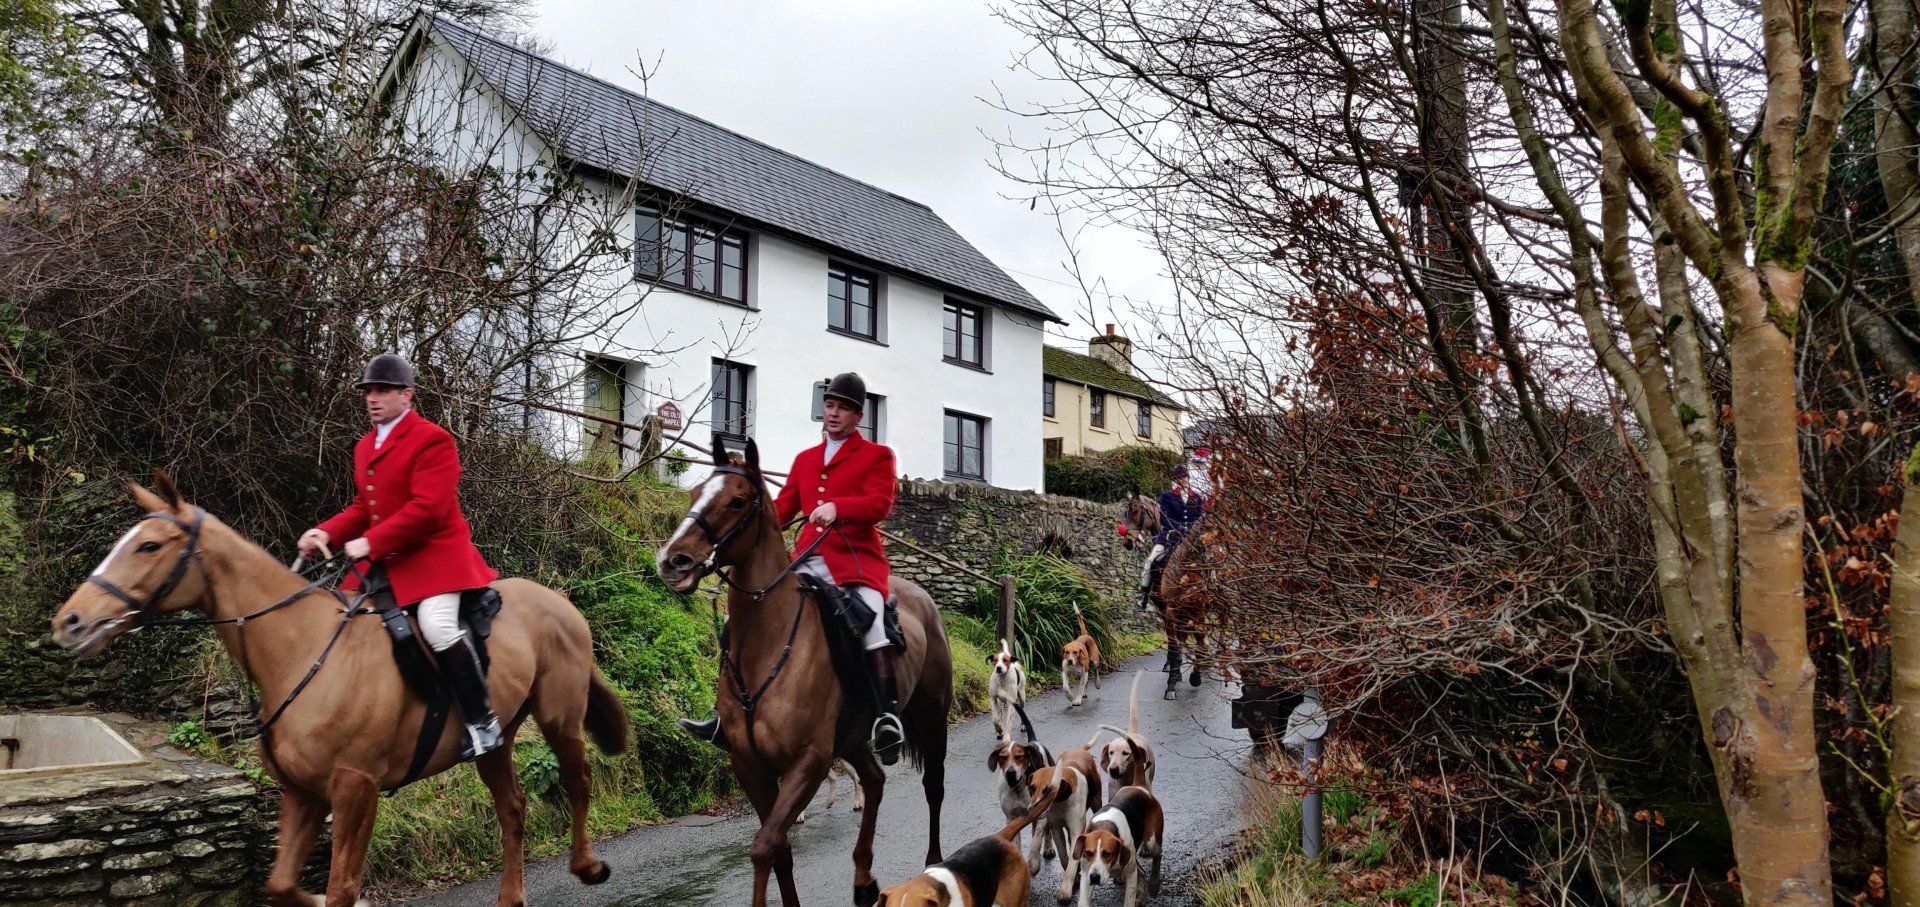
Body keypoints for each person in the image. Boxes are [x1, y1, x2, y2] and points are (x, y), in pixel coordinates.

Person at [678, 372, 908, 763]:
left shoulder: (877, 456)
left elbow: (880, 503)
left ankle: (885, 717)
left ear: (858, 415)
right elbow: (781, 512)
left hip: (855, 563)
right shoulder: (805, 460)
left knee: (870, 625)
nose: (834, 413)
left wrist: (840, 508)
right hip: (806, 562)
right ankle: (723, 715)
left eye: (843, 408)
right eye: (830, 405)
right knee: (748, 618)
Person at [296, 354, 503, 759]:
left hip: (435, 555)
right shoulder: (364, 445)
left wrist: (370, 542)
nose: (373, 398)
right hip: (389, 559)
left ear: (407, 395)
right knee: (343, 621)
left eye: (383, 390)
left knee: (437, 626)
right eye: (369, 391)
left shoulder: (433, 439)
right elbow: (362, 508)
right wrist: (327, 532)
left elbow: (429, 509)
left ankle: (483, 722)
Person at [1142, 465, 1204, 594]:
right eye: (1179, 478)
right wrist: (1179, 527)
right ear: (1176, 480)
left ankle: (1213, 592)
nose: (1182, 479)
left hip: (1193, 539)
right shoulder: (1167, 496)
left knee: (1211, 559)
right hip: (1171, 537)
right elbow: (1164, 518)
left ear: (1188, 477)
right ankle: (1146, 594)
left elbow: (1201, 519)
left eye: (1184, 477)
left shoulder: (1196, 498)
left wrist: (1195, 532)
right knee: (1150, 562)